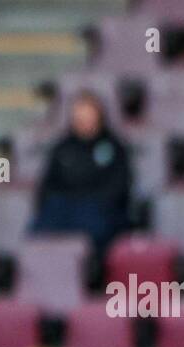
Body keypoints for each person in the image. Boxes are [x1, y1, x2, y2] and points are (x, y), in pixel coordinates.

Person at [31, 90, 133, 258]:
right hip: (64, 210)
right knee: (39, 228)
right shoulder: (62, 148)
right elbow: (47, 187)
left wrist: (87, 202)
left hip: (100, 211)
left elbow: (119, 189)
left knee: (97, 229)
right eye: (80, 119)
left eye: (89, 118)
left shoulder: (115, 148)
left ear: (99, 118)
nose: (85, 123)